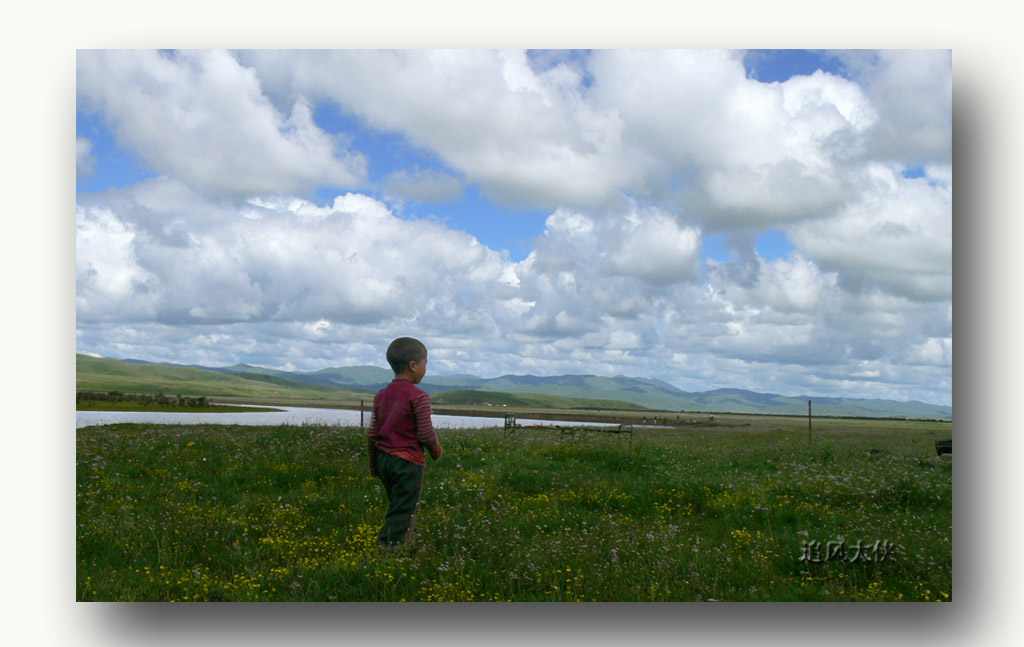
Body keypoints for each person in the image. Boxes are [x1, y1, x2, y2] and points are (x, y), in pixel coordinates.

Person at [367, 337, 443, 553]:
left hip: (383, 460)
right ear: (413, 365)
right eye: (425, 363)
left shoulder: (381, 396)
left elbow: (372, 433)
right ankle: (389, 552)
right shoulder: (418, 396)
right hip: (408, 463)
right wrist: (436, 451)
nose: (425, 368)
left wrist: (374, 465)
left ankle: (404, 543)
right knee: (404, 509)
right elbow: (426, 433)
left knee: (397, 505)